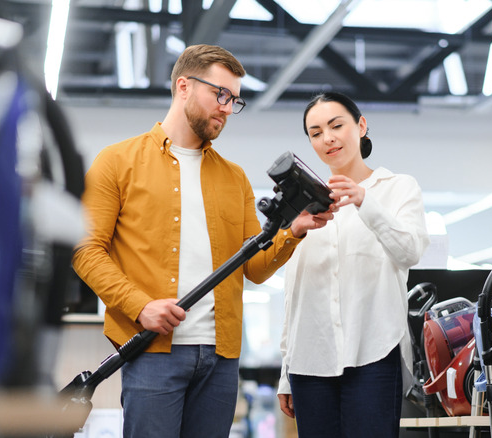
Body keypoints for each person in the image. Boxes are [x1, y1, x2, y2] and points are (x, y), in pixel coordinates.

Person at [72, 44, 332, 438]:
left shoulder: (234, 178)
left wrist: (292, 233)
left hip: (220, 357)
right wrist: (140, 306)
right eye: (220, 95)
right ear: (184, 87)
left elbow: (254, 269)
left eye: (235, 101)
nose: (228, 108)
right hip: (152, 349)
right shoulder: (117, 162)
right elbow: (84, 251)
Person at [277, 92, 430, 437]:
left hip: (373, 352)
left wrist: (365, 200)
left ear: (361, 126)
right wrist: (286, 371)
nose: (327, 138)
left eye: (336, 125)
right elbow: (294, 292)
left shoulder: (397, 188)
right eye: (315, 133)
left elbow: (410, 251)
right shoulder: (303, 204)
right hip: (310, 359)